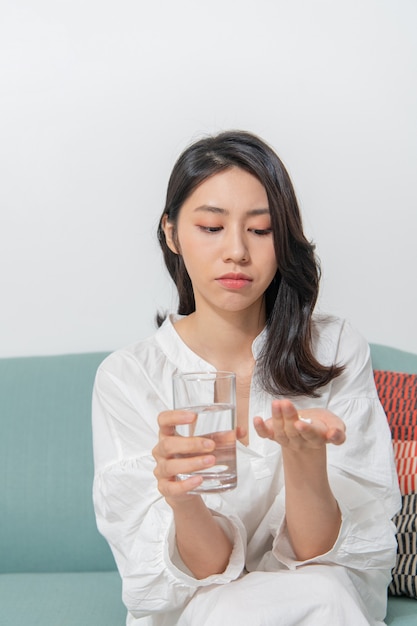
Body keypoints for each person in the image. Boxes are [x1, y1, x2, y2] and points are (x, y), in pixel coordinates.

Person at [92, 130, 401, 626]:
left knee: (323, 591)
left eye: (260, 230)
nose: (236, 251)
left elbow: (320, 554)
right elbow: (206, 572)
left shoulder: (334, 348)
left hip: (322, 598)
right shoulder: (130, 379)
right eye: (211, 227)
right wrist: (183, 498)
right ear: (171, 233)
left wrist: (306, 463)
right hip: (206, 606)